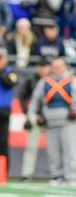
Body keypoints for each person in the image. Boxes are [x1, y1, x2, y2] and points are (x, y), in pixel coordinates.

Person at [28, 57, 76, 186]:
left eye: (60, 66)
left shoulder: (72, 81)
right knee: (53, 152)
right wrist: (33, 115)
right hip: (50, 121)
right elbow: (35, 100)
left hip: (68, 122)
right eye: (55, 67)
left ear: (65, 66)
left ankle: (71, 176)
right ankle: (56, 175)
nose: (57, 69)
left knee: (70, 150)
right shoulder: (45, 82)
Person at [19, 59, 51, 181]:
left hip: (50, 117)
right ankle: (26, 174)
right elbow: (22, 96)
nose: (43, 69)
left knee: (55, 147)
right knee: (31, 146)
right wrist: (27, 114)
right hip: (35, 116)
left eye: (46, 66)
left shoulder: (54, 80)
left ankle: (58, 174)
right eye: (41, 66)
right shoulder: (31, 80)